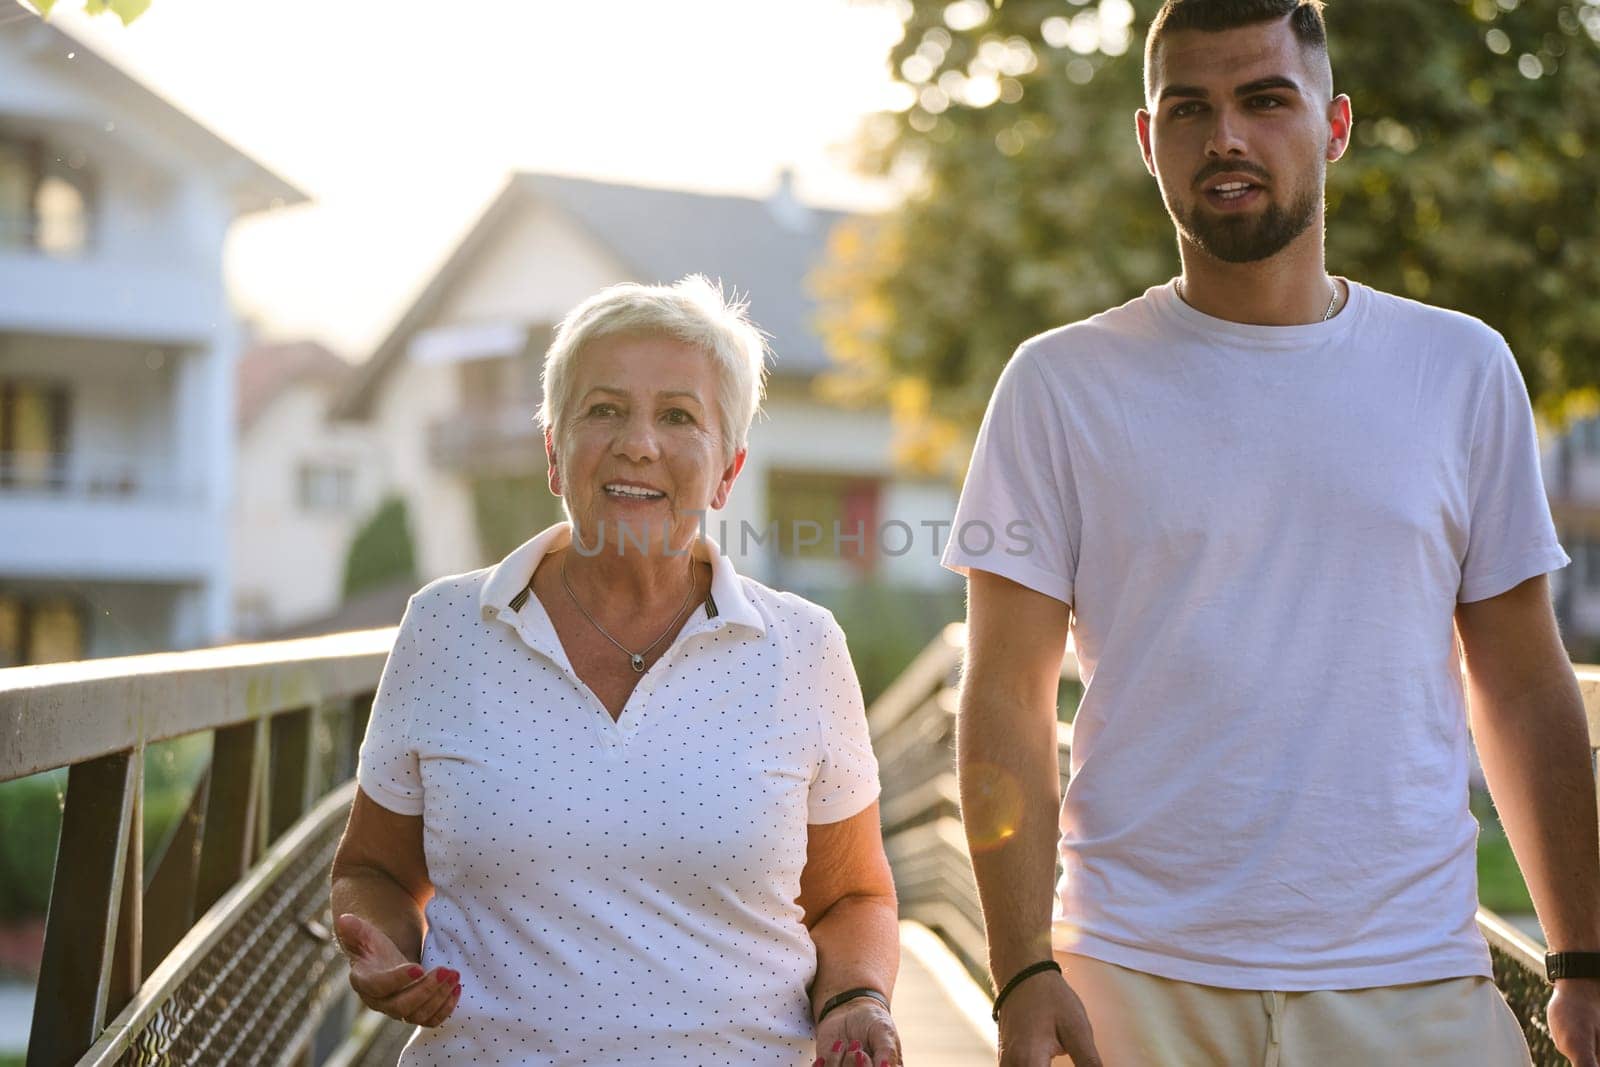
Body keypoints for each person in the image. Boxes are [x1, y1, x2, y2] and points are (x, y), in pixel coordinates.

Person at [943, 2, 1600, 1064]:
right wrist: (1020, 966)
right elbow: (1006, 692)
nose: (1226, 138)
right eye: (1189, 109)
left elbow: (1523, 678)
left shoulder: (1460, 369)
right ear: (1149, 141)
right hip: (1131, 975)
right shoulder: (1058, 383)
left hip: (1411, 978)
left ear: (1333, 125)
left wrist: (1579, 959)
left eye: (1264, 100)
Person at [330, 275, 903, 1067]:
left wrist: (857, 996)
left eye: (677, 415)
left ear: (728, 470)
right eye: (603, 409)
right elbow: (373, 870)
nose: (639, 442)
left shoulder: (803, 647)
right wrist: (387, 952)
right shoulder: (445, 627)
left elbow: (853, 897)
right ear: (555, 452)